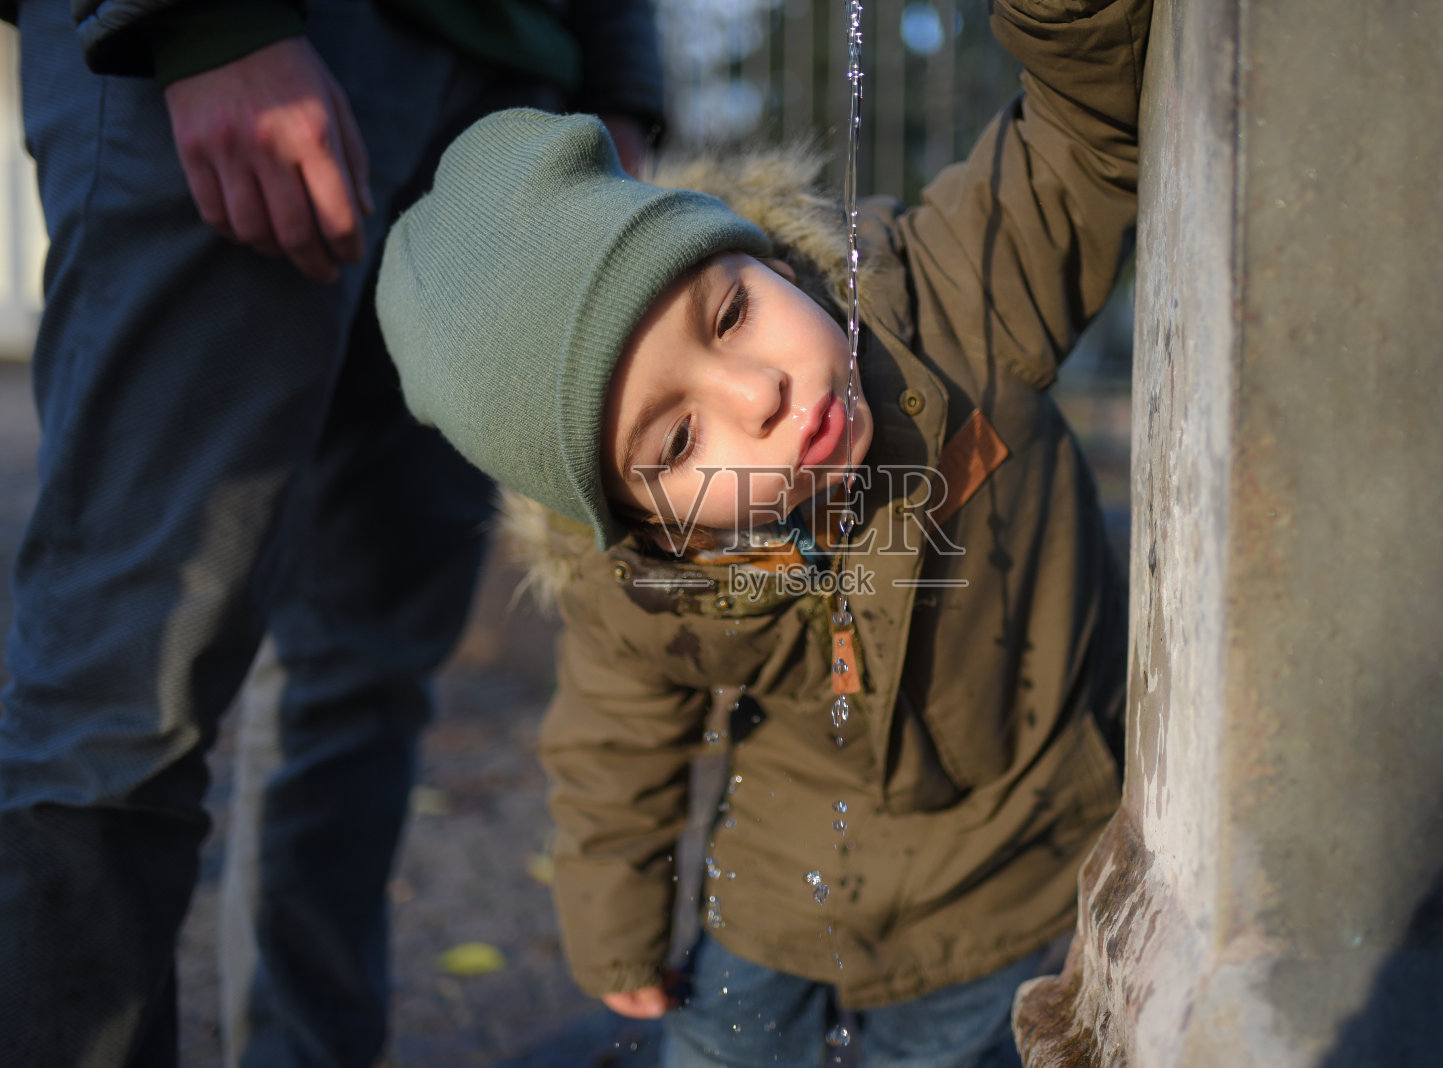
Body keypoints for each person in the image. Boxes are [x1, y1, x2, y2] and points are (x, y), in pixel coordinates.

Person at [377, 0, 1147, 1061]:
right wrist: (620, 940)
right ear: (635, 518)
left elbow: (1083, 139)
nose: (758, 393)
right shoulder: (640, 588)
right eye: (680, 434)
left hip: (1013, 867)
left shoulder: (948, 311)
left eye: (731, 314)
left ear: (769, 262)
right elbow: (612, 748)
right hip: (788, 887)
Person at [0, 1, 659, 1065]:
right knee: (121, 689)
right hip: (247, 38)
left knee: (365, 677)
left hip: (513, 81)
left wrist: (622, 87)